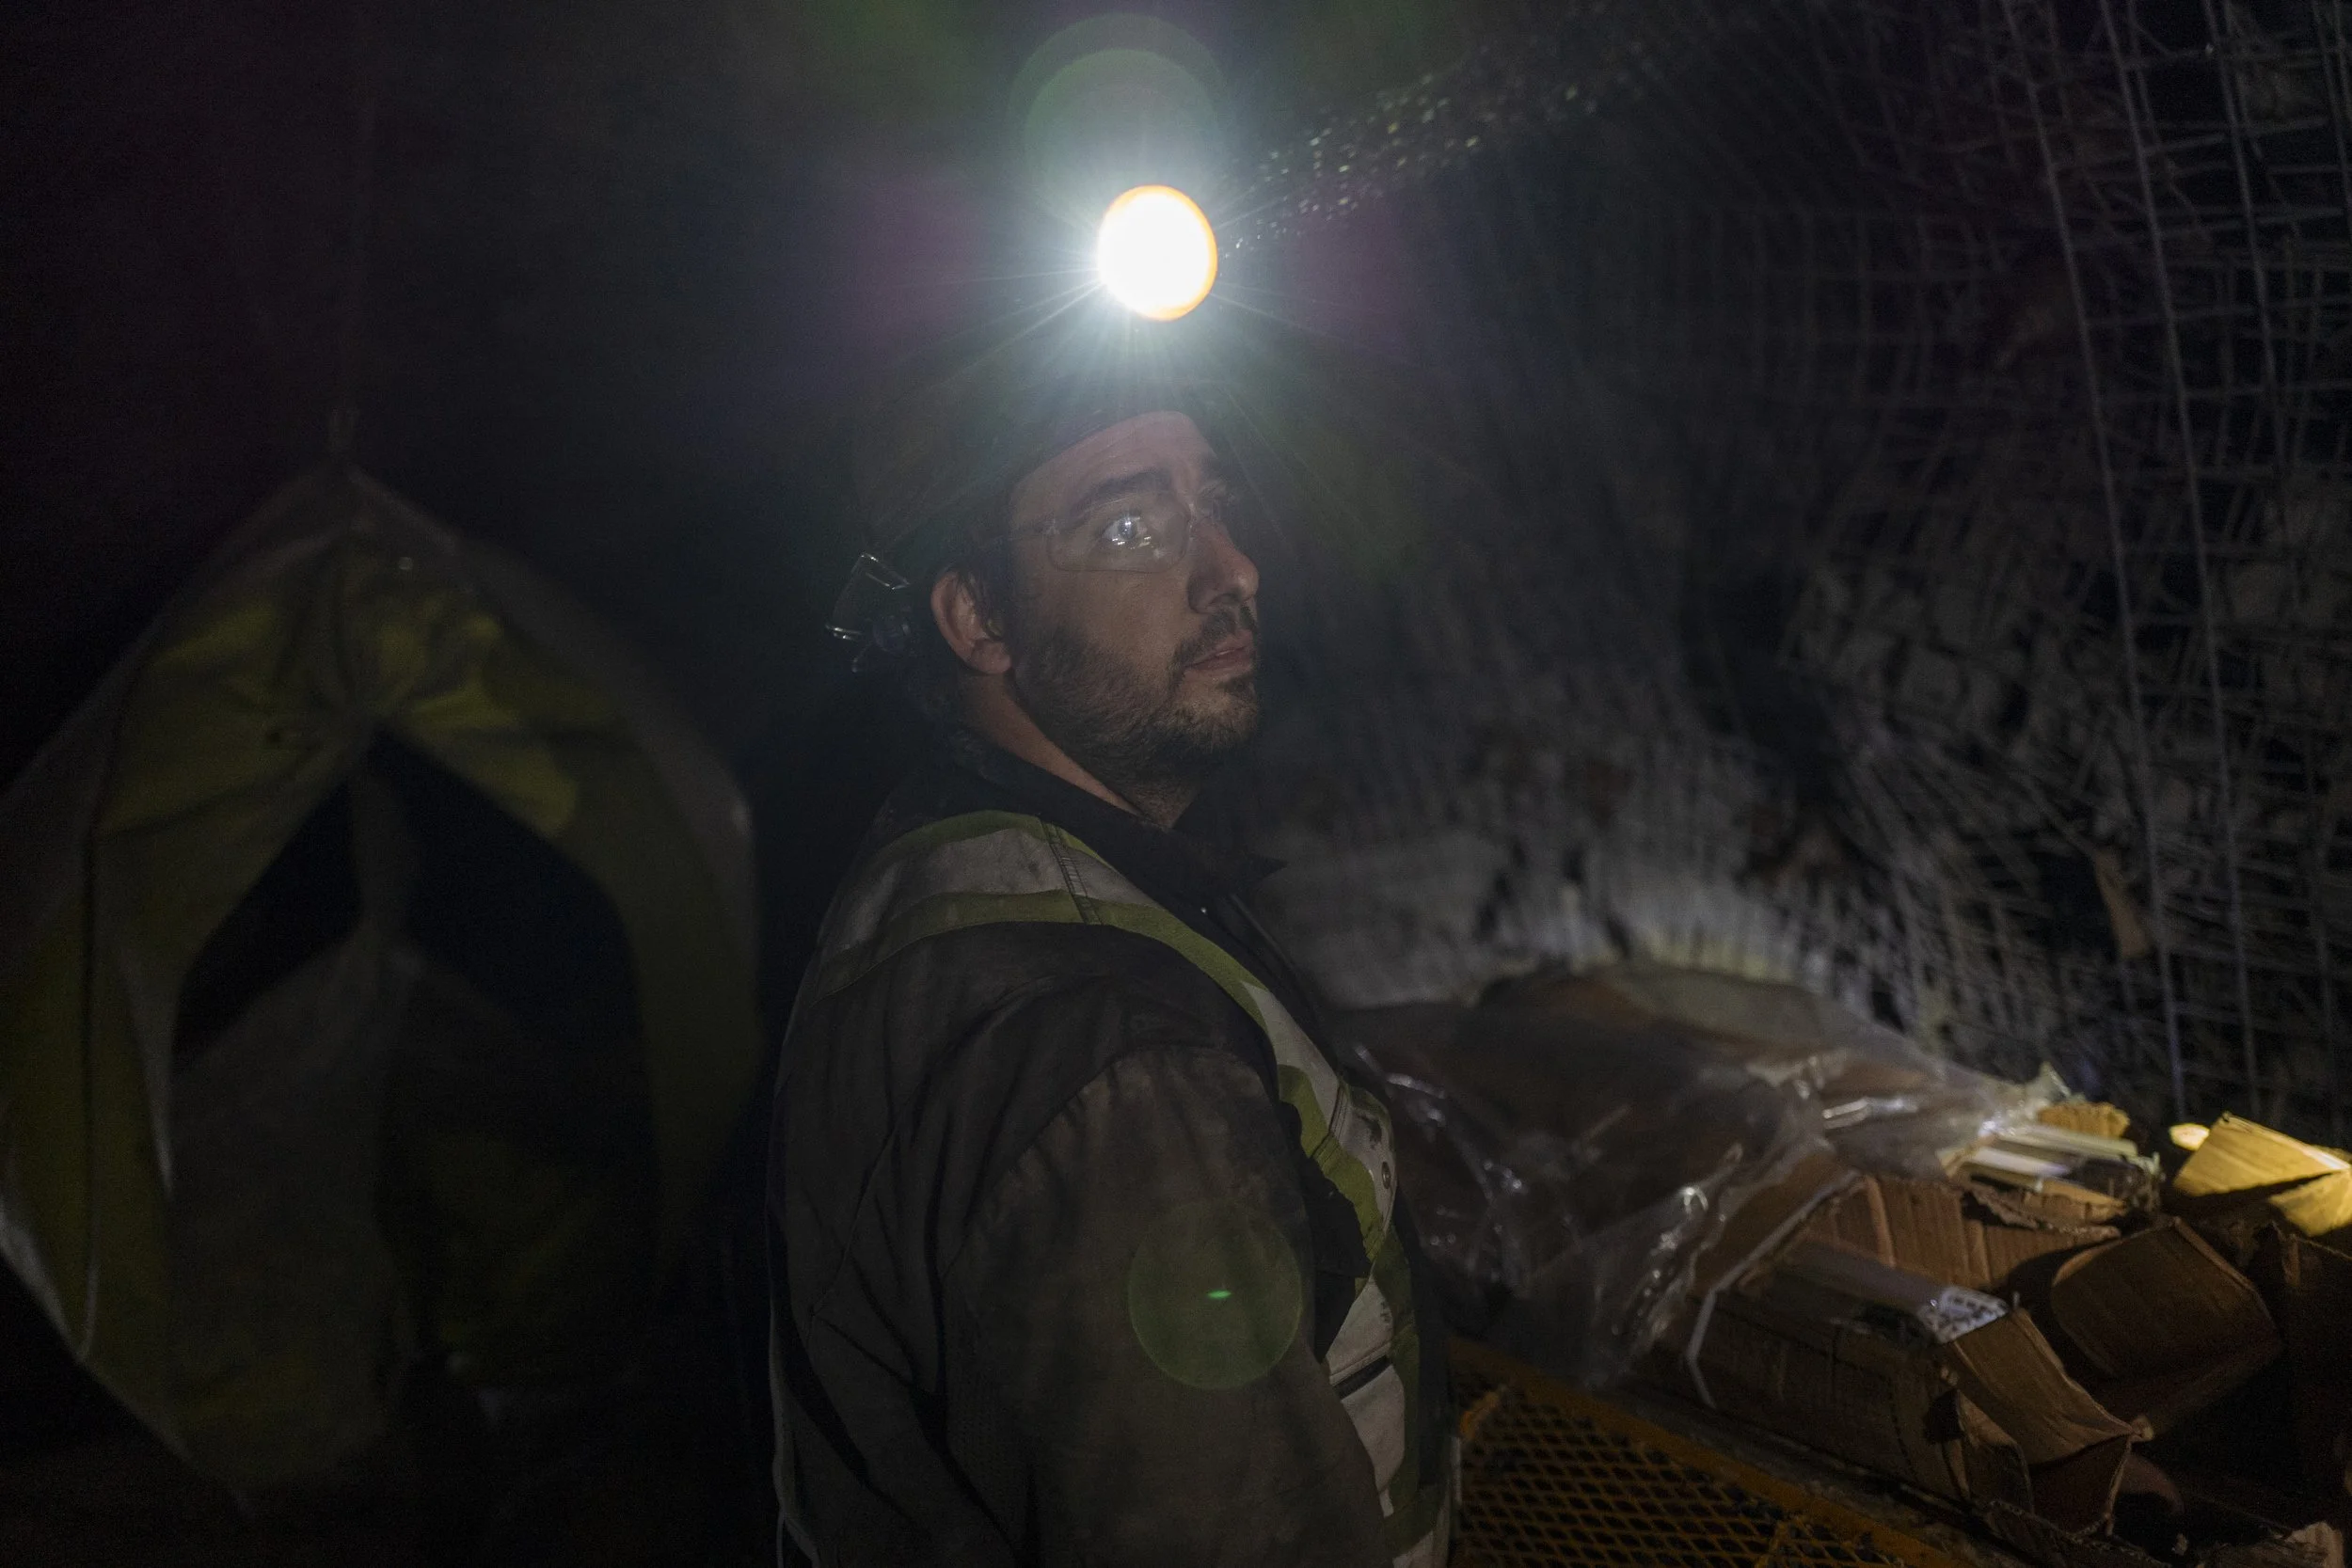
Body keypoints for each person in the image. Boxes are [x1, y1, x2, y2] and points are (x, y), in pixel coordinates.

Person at [767, 315, 1453, 1567]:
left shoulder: (946, 852)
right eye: (1133, 530)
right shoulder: (1119, 1074)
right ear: (979, 619)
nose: (1231, 568)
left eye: (1215, 507)